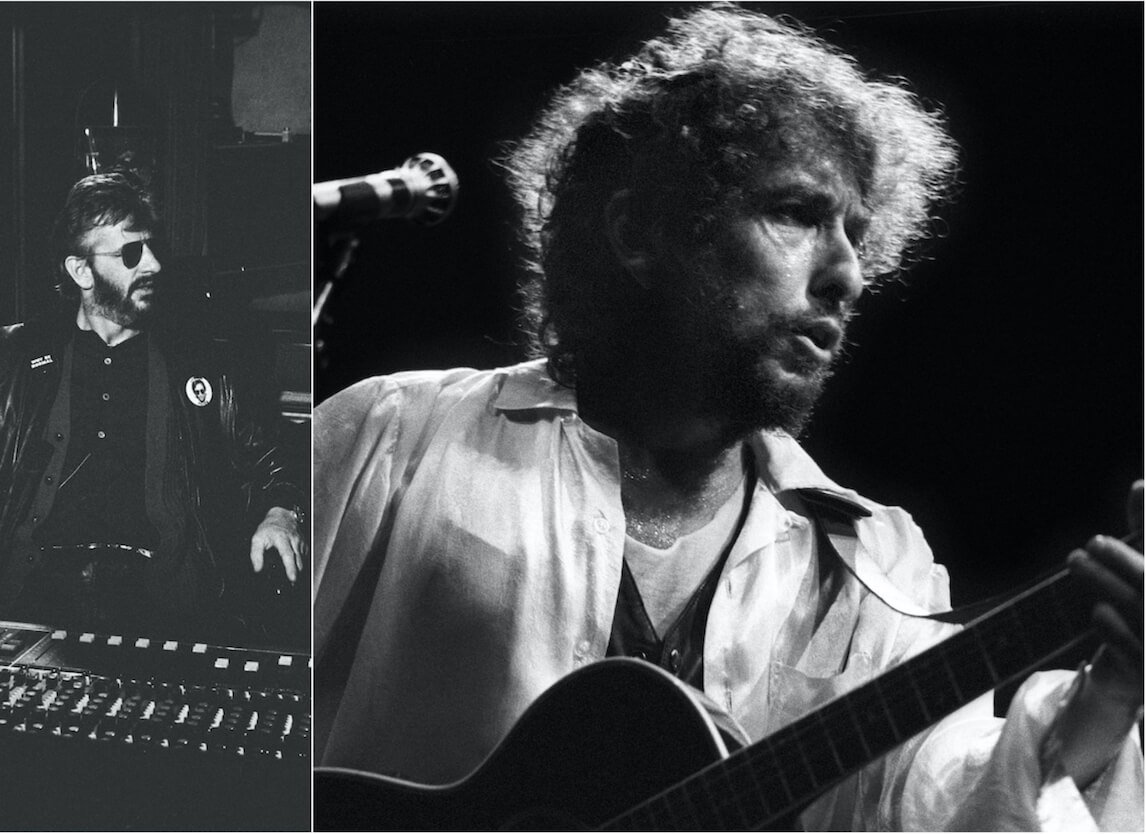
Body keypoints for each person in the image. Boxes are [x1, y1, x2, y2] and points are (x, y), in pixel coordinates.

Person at [313, 4, 1142, 829]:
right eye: (797, 214)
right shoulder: (397, 438)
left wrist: (1110, 694)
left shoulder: (875, 564)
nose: (847, 276)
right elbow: (197, 707)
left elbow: (947, 809)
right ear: (640, 230)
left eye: (857, 233)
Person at [0, 172, 308, 643]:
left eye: (152, 247)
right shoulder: (11, 356)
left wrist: (283, 511)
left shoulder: (202, 363)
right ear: (81, 271)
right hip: (31, 608)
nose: (152, 264)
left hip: (168, 613)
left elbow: (273, 458)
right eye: (130, 253)